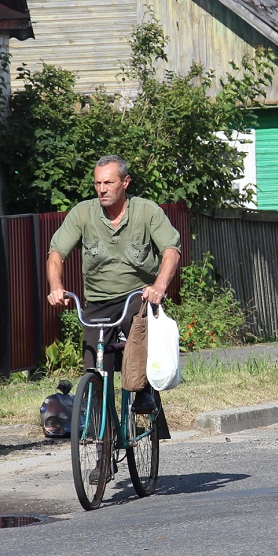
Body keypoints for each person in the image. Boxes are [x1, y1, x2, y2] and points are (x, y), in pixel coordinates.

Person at [46, 155, 181, 411]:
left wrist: (159, 286)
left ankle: (143, 391)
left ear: (125, 182)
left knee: (139, 326)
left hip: (136, 297)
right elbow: (56, 253)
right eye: (97, 183)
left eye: (108, 182)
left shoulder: (146, 211)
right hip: (98, 301)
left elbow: (171, 250)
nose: (102, 189)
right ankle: (99, 436)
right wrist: (56, 286)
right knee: (94, 368)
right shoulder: (83, 213)